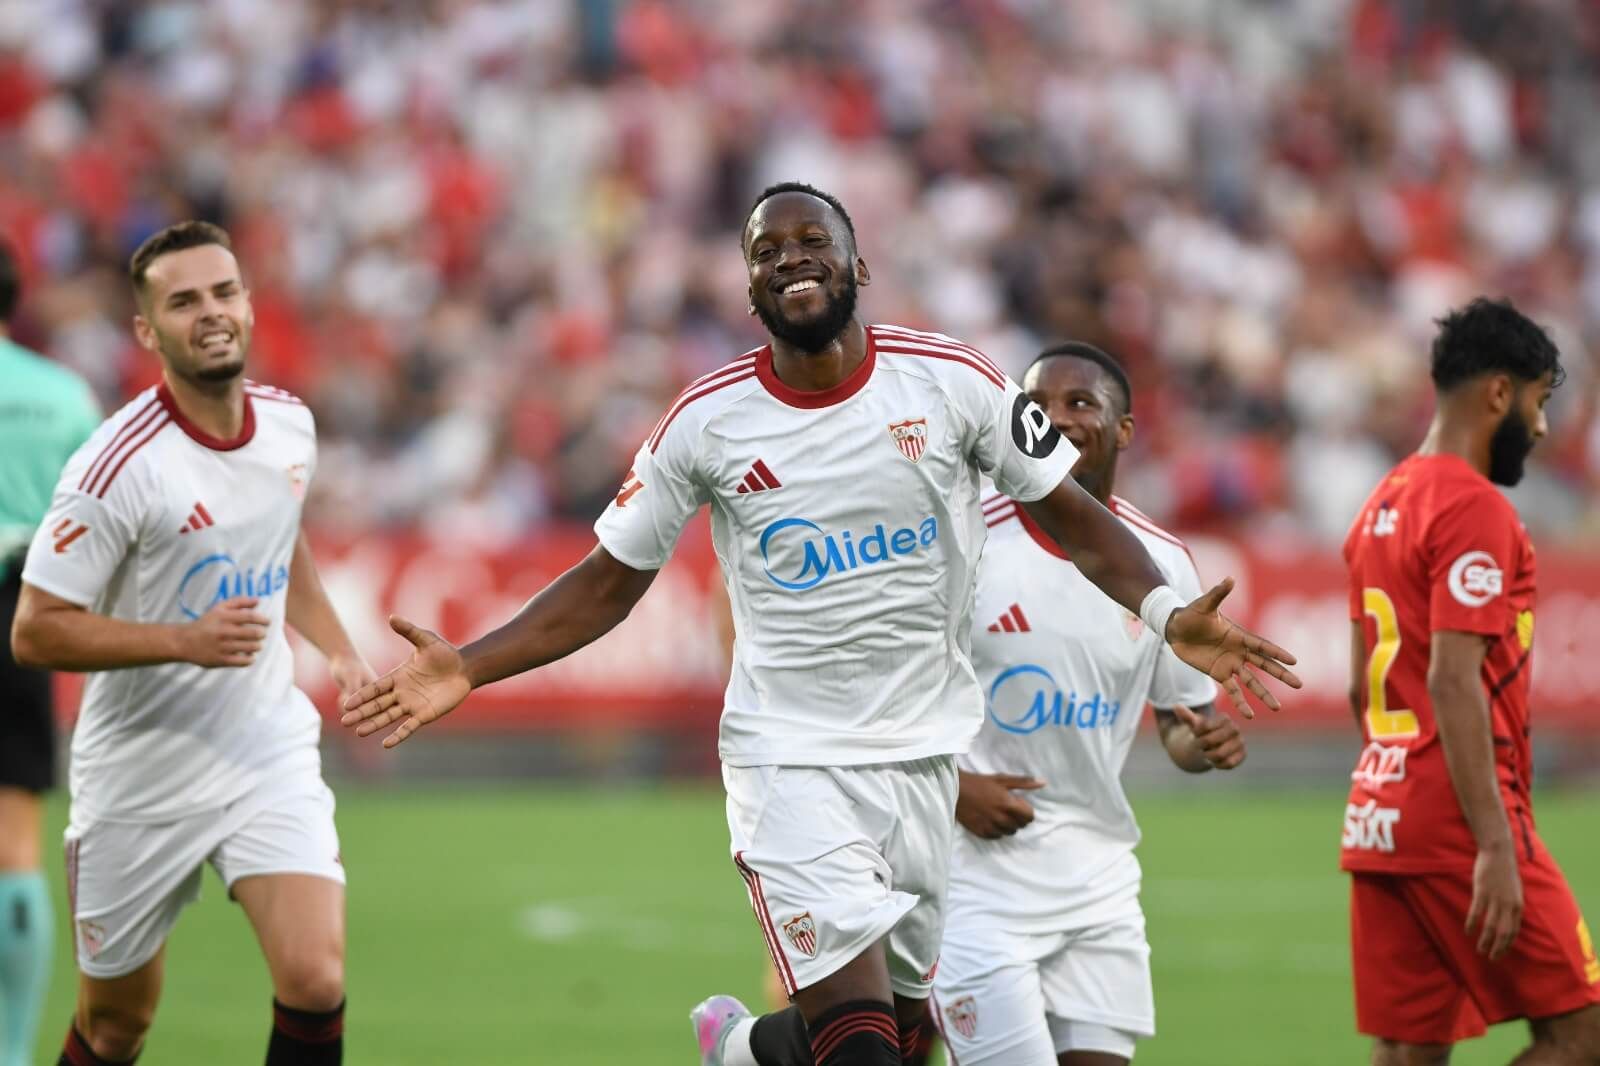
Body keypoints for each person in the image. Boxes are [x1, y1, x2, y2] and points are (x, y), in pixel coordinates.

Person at [339, 182, 1300, 1066]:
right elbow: (606, 584)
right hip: (792, 761)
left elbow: (1076, 519)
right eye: (768, 250)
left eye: (813, 240)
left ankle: (743, 1051)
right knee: (866, 1053)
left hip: (922, 760)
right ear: (750, 287)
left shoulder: (955, 383)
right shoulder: (706, 422)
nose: (791, 257)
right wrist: (468, 664)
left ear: (857, 266)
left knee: (908, 1027)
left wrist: (1168, 612)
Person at [9, 221, 372, 1066]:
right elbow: (35, 629)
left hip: (262, 745)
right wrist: (183, 639)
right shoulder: (115, 466)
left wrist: (341, 652)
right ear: (148, 331)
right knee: (116, 1027)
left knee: (315, 979)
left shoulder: (290, 426)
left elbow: (280, 537)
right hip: (140, 770)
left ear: (247, 303)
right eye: (182, 301)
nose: (209, 313)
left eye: (223, 292)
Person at [911, 342, 1246, 1066]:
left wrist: (1202, 744)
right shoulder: (963, 540)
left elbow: (1179, 726)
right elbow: (881, 695)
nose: (1057, 419)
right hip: (972, 873)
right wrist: (954, 788)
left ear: (1124, 430)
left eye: (1081, 403)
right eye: (1039, 407)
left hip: (1097, 874)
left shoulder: (1163, 564)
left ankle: (754, 1050)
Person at [1341, 297, 1600, 1065]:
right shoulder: (1474, 507)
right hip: (1464, 822)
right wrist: (1492, 843)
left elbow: (1363, 690)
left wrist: (1399, 789)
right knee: (1583, 1032)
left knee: (1408, 1050)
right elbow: (1454, 679)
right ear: (1499, 393)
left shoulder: (1379, 504)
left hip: (1379, 816)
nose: (1544, 426)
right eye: (1540, 400)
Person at [0, 239, 101, 1066]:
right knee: (15, 842)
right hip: (20, 605)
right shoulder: (60, 394)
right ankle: (10, 1048)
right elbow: (103, 513)